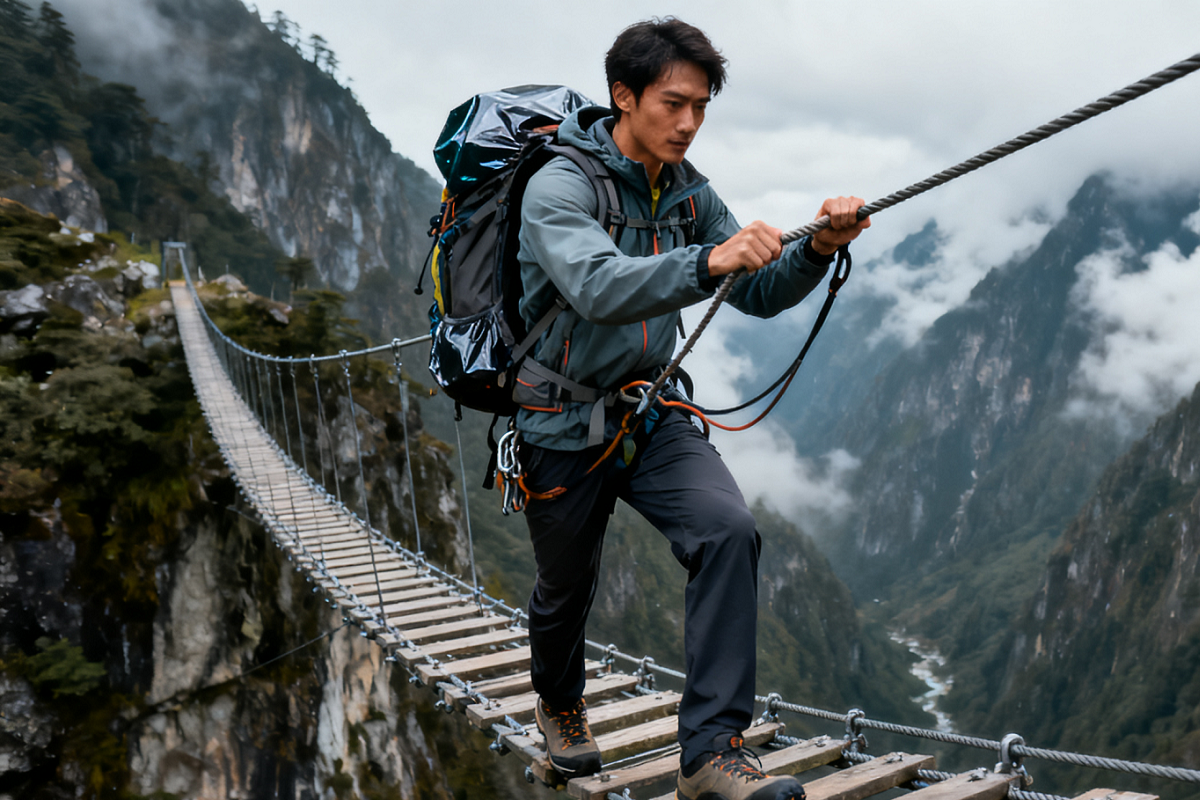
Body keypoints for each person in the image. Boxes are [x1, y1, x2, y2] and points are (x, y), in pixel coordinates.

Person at [514, 17, 869, 800]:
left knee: (728, 531)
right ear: (623, 96)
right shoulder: (560, 185)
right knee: (565, 588)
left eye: (701, 107)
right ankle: (560, 703)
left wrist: (816, 249)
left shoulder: (687, 191)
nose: (688, 122)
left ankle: (710, 752)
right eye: (673, 104)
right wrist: (710, 257)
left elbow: (758, 291)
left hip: (650, 411)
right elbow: (597, 286)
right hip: (560, 420)